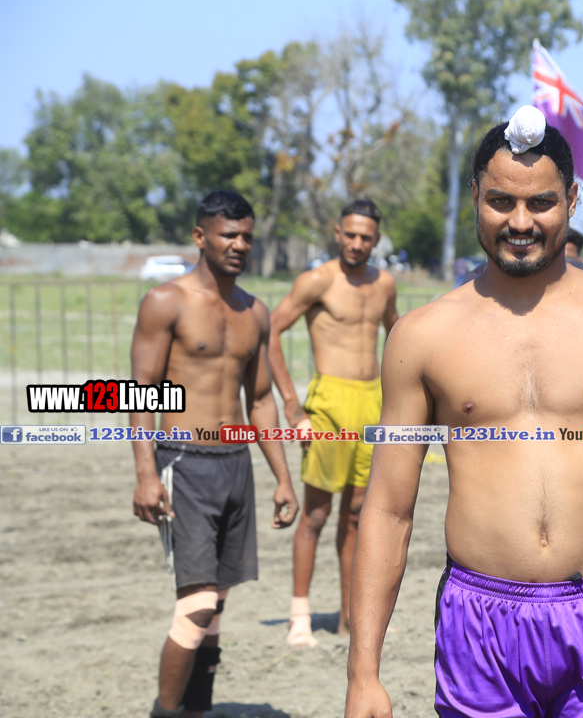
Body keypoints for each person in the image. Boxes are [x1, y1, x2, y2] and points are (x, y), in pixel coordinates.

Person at [344, 107, 583, 718]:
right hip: (478, 624)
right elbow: (387, 507)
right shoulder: (421, 336)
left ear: (572, 200)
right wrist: (364, 672)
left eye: (540, 203)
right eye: (501, 202)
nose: (520, 222)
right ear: (475, 196)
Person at [130, 190, 299, 718]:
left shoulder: (255, 311)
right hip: (184, 463)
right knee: (197, 604)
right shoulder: (166, 301)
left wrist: (283, 478)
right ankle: (165, 712)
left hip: (236, 464)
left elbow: (262, 400)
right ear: (201, 237)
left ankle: (197, 711)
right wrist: (145, 475)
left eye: (247, 235)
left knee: (217, 603)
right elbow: (139, 392)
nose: (240, 244)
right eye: (229, 235)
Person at [268, 199, 399, 646]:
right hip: (328, 404)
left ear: (376, 240)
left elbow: (397, 336)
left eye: (366, 237)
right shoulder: (317, 280)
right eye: (351, 234)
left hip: (372, 404)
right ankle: (299, 617)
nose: (357, 243)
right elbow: (270, 331)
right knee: (317, 513)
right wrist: (292, 405)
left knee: (358, 517)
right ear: (338, 233)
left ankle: (349, 617)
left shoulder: (384, 284)